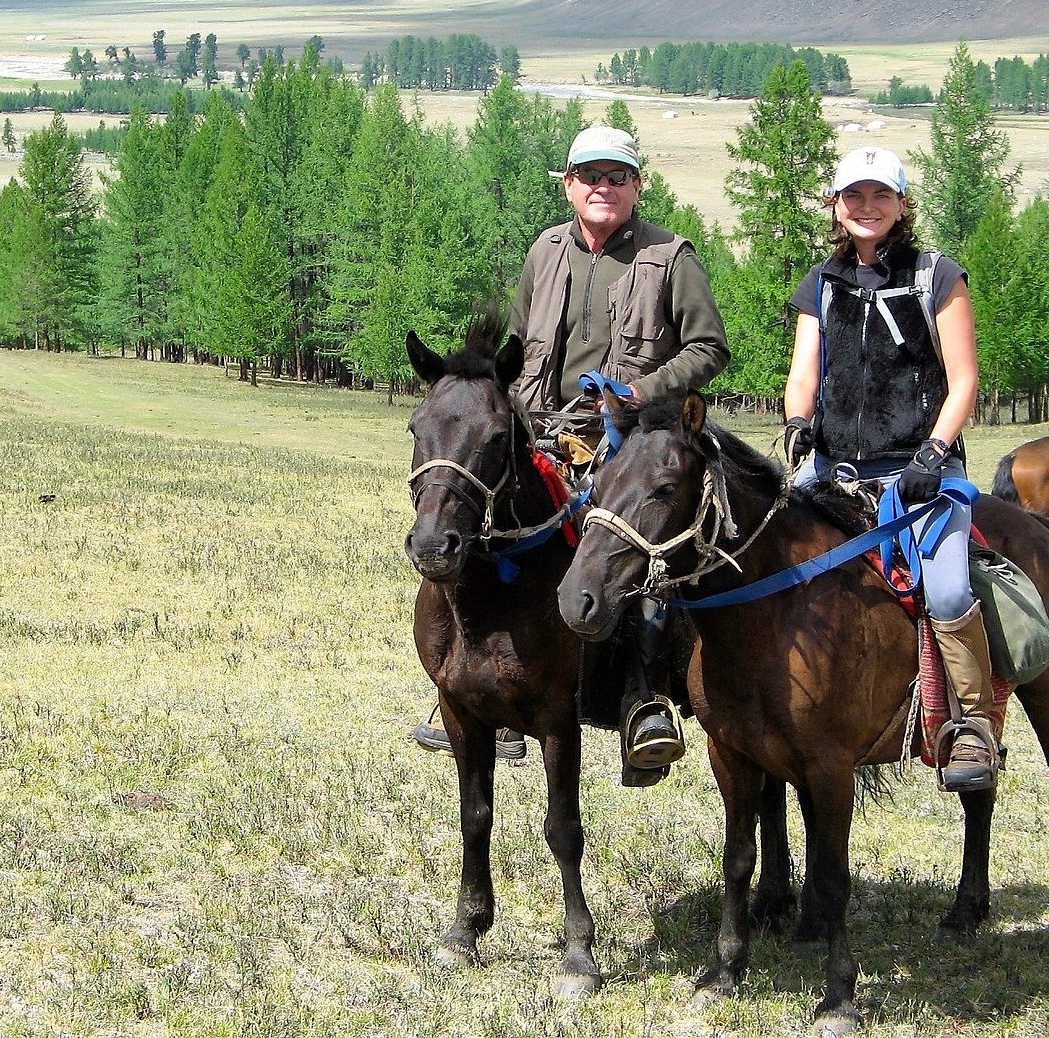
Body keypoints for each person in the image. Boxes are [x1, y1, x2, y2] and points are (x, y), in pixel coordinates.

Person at [413, 124, 730, 784]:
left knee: (633, 540)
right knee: (479, 518)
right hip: (545, 433)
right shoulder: (547, 250)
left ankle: (644, 698)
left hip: (633, 436)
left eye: (617, 176)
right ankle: (481, 692)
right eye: (589, 176)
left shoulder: (671, 256)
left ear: (637, 186)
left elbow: (707, 348)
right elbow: (525, 349)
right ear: (568, 185)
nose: (602, 187)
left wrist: (639, 392)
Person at [782, 145, 999, 792]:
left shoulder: (937, 276)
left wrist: (934, 454)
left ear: (902, 205)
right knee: (765, 557)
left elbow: (964, 382)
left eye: (880, 195)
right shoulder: (820, 283)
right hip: (835, 470)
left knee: (950, 588)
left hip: (921, 471)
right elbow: (802, 376)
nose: (866, 207)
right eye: (854, 196)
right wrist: (797, 425)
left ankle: (970, 725)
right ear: (836, 206)